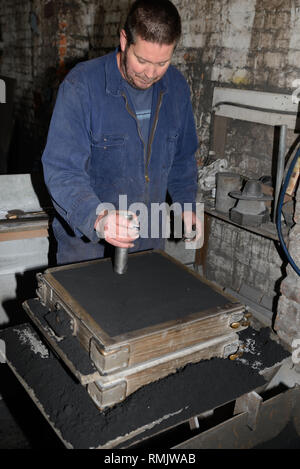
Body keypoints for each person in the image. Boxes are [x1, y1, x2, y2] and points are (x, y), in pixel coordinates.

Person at [42, 0, 202, 265]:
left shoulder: (176, 88)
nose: (150, 74)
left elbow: (183, 157)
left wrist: (186, 204)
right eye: (142, 60)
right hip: (86, 245)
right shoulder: (82, 86)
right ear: (124, 40)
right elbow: (62, 170)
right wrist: (98, 217)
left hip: (148, 237)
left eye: (162, 63)